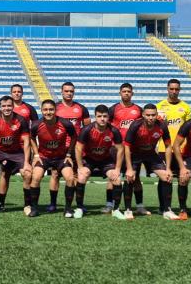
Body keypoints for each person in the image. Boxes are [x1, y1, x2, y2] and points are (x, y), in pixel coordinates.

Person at [123, 104, 180, 220]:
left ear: (157, 115)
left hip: (151, 154)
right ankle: (128, 210)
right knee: (131, 177)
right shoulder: (136, 125)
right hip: (135, 154)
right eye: (148, 115)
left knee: (167, 176)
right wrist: (129, 168)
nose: (150, 117)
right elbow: (127, 147)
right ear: (143, 115)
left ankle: (166, 210)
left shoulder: (162, 126)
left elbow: (168, 146)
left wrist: (168, 168)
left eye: (153, 115)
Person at [74, 105, 126, 220]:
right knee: (82, 177)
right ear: (95, 117)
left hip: (105, 160)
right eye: (99, 116)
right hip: (89, 159)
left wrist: (117, 169)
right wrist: (80, 167)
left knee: (117, 179)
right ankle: (79, 208)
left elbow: (121, 149)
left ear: (108, 117)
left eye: (105, 116)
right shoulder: (87, 130)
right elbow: (78, 148)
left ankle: (116, 210)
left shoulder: (114, 131)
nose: (102, 119)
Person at [28, 100, 77, 218]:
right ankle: (34, 208)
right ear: (41, 110)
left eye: (51, 109)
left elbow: (74, 137)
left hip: (61, 158)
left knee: (70, 178)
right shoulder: (36, 124)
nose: (48, 112)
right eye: (45, 110)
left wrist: (69, 154)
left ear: (55, 110)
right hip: (44, 157)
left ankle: (68, 209)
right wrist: (36, 154)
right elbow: (31, 138)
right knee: (36, 177)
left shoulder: (65, 123)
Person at [0, 95, 31, 215]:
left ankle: (27, 205)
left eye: (9, 105)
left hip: (16, 152)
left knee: (27, 174)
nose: (7, 108)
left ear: (13, 106)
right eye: (4, 106)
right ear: (0, 107)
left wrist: (26, 162)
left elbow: (26, 142)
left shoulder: (21, 120)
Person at [49, 82, 90, 213]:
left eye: (71, 91)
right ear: (61, 92)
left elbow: (87, 129)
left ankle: (79, 204)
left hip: (76, 147)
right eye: (66, 91)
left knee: (78, 175)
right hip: (59, 147)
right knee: (55, 174)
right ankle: (53, 204)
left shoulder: (81, 108)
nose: (69, 93)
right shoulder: (55, 108)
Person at [108, 83, 146, 215]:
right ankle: (110, 205)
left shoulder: (139, 110)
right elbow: (107, 127)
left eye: (129, 91)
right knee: (113, 176)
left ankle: (140, 206)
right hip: (116, 148)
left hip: (133, 149)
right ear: (120, 93)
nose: (126, 93)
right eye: (124, 91)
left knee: (135, 178)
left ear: (132, 93)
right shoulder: (113, 109)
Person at [156, 79, 191, 212]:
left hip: (182, 149)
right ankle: (164, 207)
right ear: (167, 89)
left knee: (183, 177)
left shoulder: (186, 107)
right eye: (171, 89)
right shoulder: (159, 107)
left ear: (180, 90)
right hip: (163, 148)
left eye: (176, 89)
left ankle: (183, 208)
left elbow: (190, 128)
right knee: (165, 178)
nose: (174, 91)